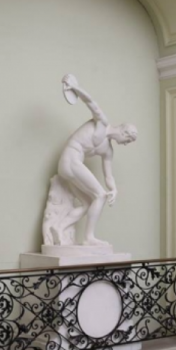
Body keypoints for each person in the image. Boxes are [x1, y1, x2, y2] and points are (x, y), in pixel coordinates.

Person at [55, 74, 137, 246]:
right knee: (100, 196)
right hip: (70, 158)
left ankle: (58, 228)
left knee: (87, 203)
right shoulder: (102, 123)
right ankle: (88, 238)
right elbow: (91, 102)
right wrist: (74, 88)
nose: (125, 144)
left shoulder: (108, 150)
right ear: (124, 132)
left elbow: (108, 175)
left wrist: (114, 189)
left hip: (71, 166)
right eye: (128, 140)